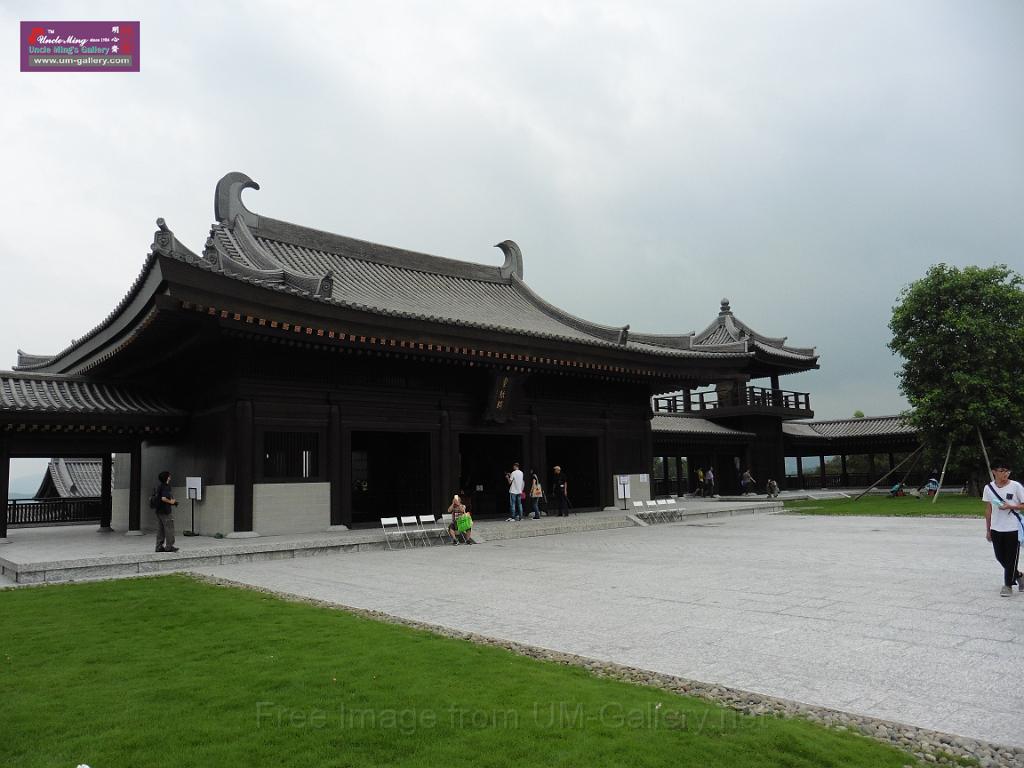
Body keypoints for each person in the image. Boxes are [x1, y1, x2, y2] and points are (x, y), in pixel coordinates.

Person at [982, 458, 1024, 597]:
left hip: (1013, 528)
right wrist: (988, 529)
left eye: (1007, 471)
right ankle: (1019, 575)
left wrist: (1010, 506)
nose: (1005, 474)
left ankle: (1008, 585)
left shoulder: (1016, 486)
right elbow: (988, 509)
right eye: (1002, 471)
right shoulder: (988, 488)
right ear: (994, 472)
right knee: (1000, 557)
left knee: (1011, 558)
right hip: (996, 528)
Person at [155, 470, 179, 553]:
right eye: (169, 475)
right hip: (165, 511)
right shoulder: (166, 486)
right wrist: (172, 502)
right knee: (169, 528)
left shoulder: (160, 486)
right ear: (167, 477)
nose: (170, 477)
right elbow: (163, 498)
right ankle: (169, 546)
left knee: (160, 529)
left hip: (159, 510)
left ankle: (159, 546)